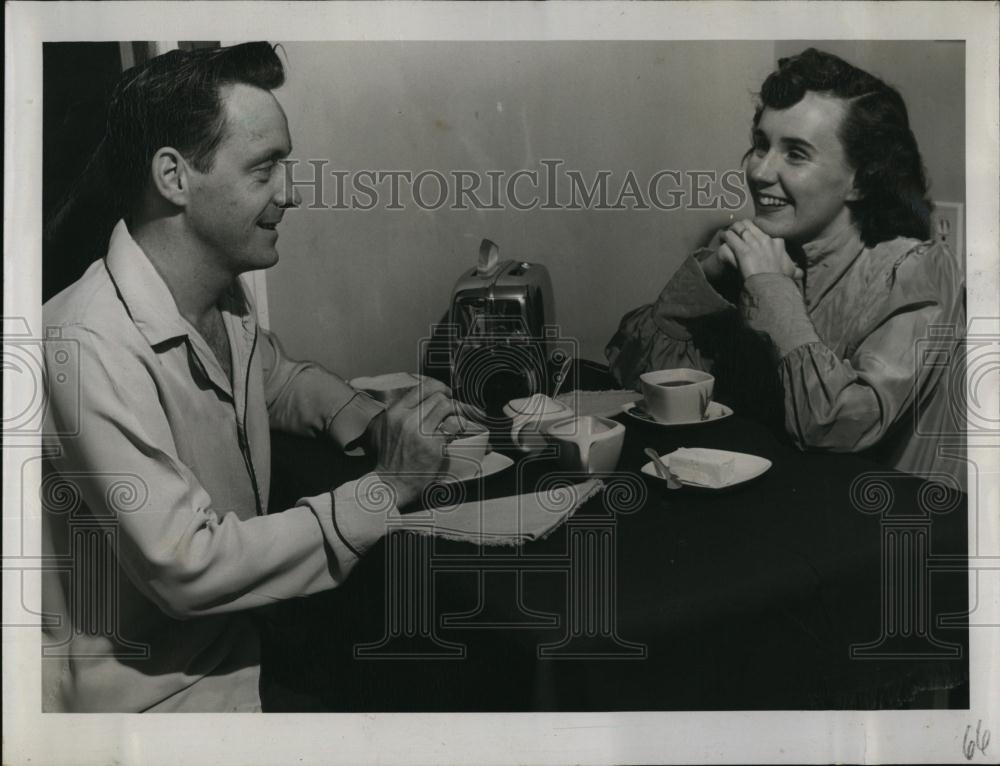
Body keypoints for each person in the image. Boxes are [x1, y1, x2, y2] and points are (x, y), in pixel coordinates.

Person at [41, 43, 473, 712]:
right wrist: (386, 487)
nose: (291, 192)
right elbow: (186, 565)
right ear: (174, 177)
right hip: (157, 714)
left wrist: (368, 416)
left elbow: (278, 378)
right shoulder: (85, 342)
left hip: (246, 660)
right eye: (265, 168)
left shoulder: (215, 300)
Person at [606, 48, 966, 491]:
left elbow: (837, 427)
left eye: (795, 154)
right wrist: (705, 281)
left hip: (894, 529)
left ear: (862, 179)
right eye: (761, 144)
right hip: (792, 511)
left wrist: (773, 292)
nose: (759, 170)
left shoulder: (921, 269)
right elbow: (639, 382)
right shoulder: (770, 255)